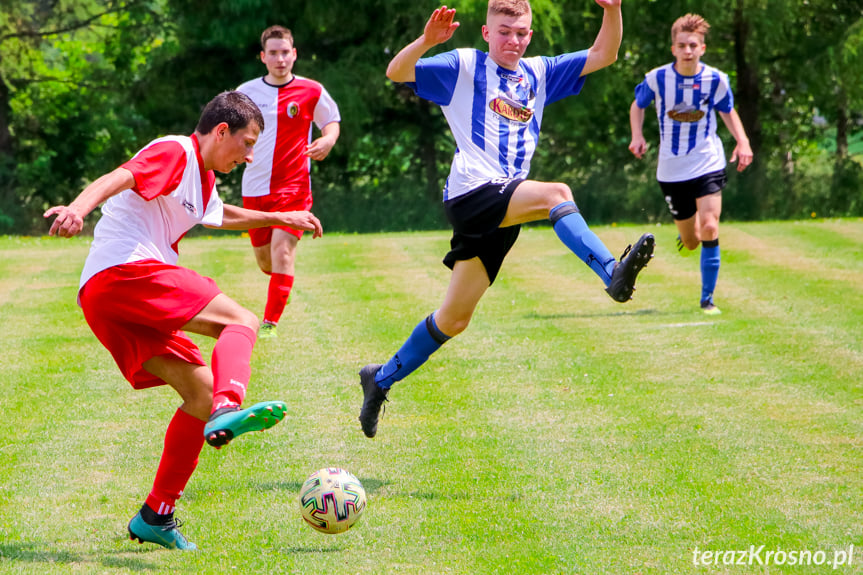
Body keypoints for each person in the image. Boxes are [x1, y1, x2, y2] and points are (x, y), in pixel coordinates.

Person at [357, 0, 655, 439]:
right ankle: (612, 272)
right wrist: (426, 41)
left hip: (503, 203)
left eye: (520, 33)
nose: (512, 40)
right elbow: (397, 72)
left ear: (530, 35)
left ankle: (378, 379)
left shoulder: (539, 72)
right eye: (504, 31)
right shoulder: (462, 65)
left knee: (453, 319)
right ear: (485, 32)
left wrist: (612, 9)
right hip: (472, 191)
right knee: (557, 194)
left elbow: (603, 55)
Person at [44, 91, 323, 550]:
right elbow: (121, 176)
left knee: (200, 393)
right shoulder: (175, 150)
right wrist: (78, 207)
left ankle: (156, 514)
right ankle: (230, 407)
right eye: (247, 143)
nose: (250, 155)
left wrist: (280, 215)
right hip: (125, 271)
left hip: (104, 295)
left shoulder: (203, 179)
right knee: (242, 321)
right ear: (220, 132)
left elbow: (219, 215)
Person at [628, 13, 753, 315]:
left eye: (693, 45)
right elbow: (637, 105)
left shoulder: (716, 80)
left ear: (702, 48)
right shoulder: (657, 79)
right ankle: (691, 231)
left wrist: (743, 141)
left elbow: (728, 111)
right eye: (682, 45)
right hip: (671, 169)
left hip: (707, 161)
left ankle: (707, 299)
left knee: (710, 226)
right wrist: (637, 136)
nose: (687, 50)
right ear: (673, 49)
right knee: (693, 240)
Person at [236, 25, 341, 338]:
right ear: (263, 57)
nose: (280, 58)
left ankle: (269, 325)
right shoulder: (246, 92)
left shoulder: (312, 91)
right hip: (254, 189)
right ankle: (282, 283)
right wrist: (243, 151)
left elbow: (331, 122)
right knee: (268, 264)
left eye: (285, 52)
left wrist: (328, 141)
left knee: (283, 254)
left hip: (294, 188)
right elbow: (233, 130)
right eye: (273, 53)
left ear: (294, 55)